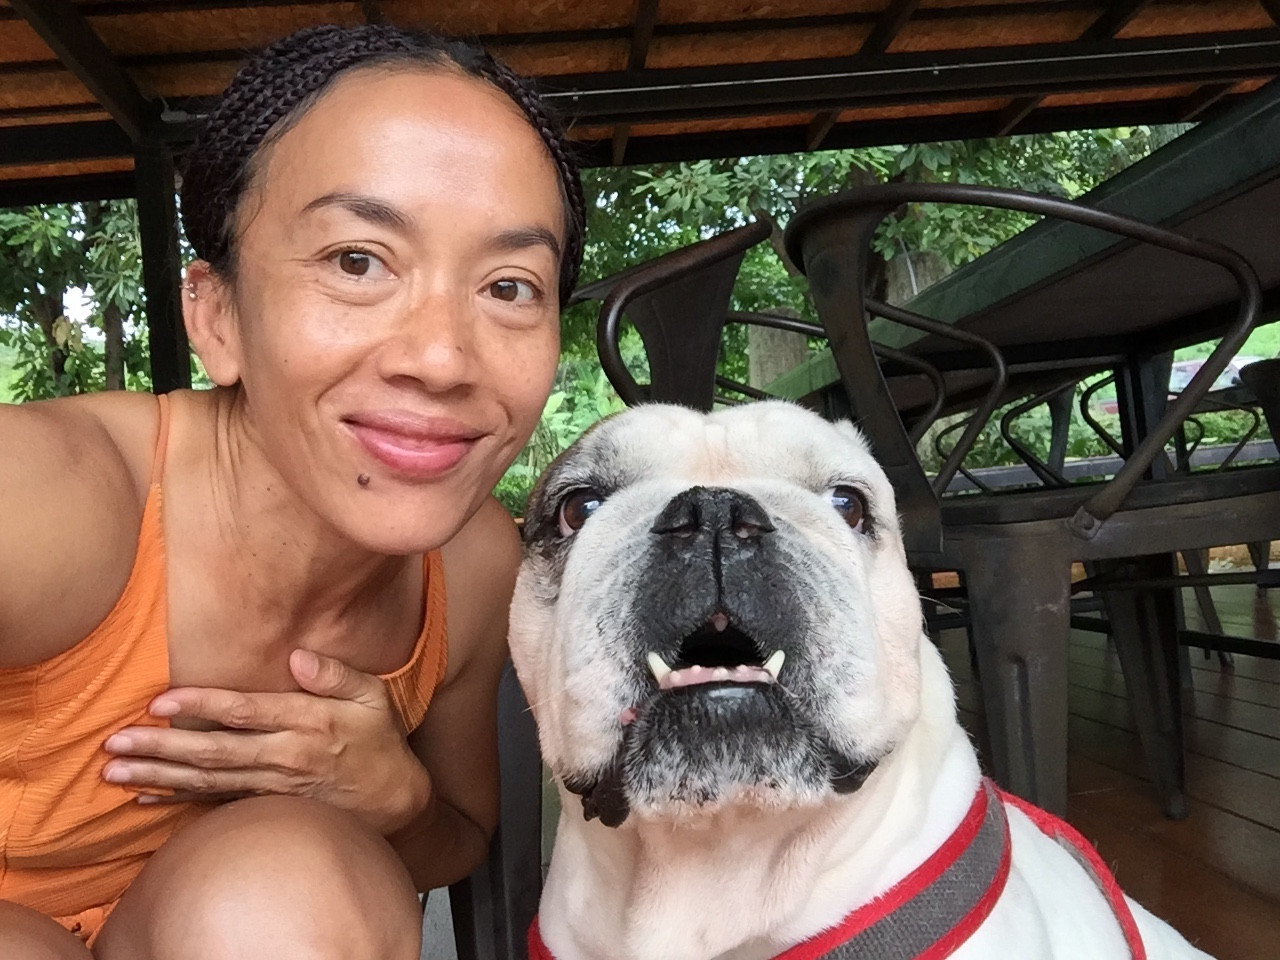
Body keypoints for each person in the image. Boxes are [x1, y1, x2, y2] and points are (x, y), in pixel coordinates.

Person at [0, 22, 584, 959]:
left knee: (289, 894)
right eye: (358, 262)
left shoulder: (471, 566)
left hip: (215, 922)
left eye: (511, 286)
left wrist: (394, 794)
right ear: (219, 314)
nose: (441, 359)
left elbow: (456, 840)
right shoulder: (46, 500)